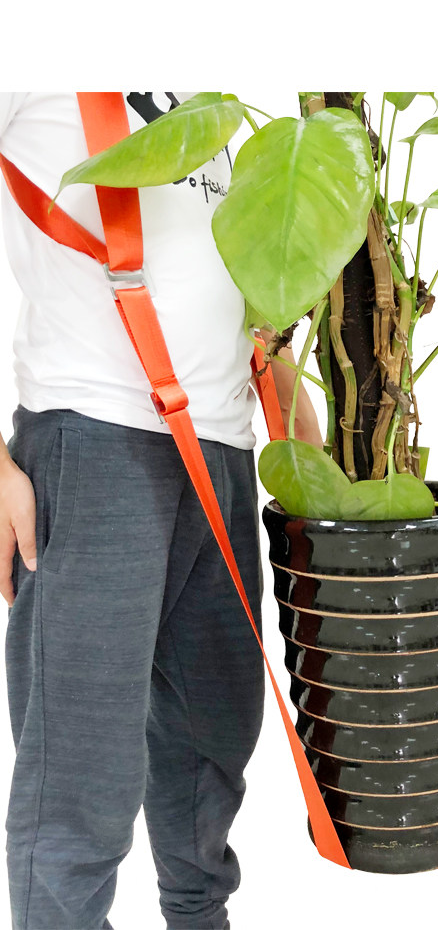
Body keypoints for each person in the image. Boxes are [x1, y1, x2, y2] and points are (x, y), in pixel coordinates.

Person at [0, 92, 321, 930]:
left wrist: (286, 397)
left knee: (212, 749)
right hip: (92, 434)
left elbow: (223, 265)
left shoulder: (220, 77)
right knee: (82, 782)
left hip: (223, 446)